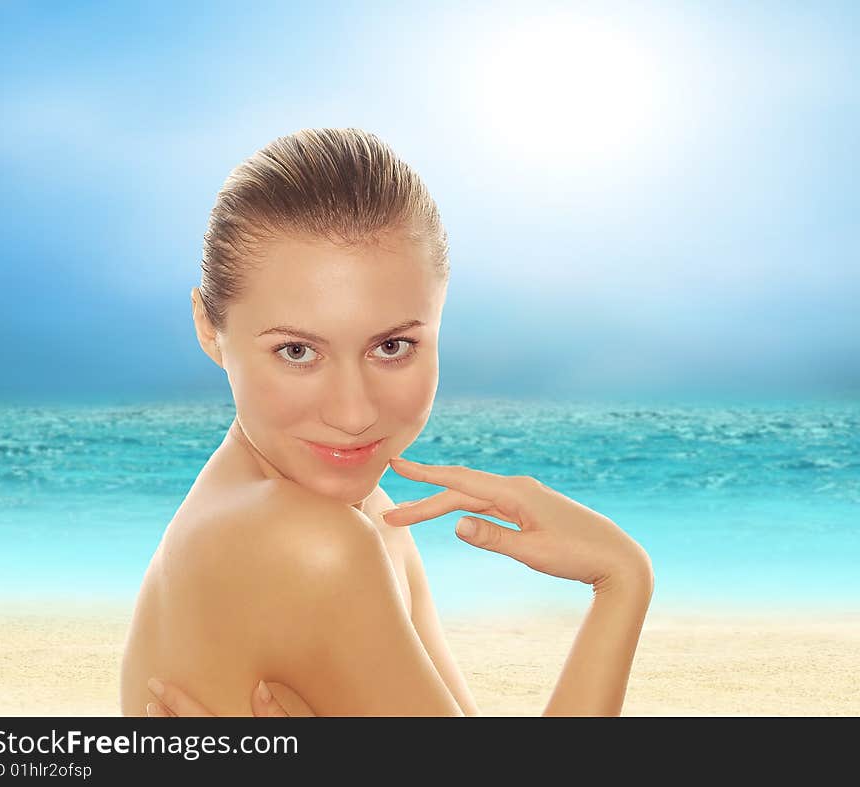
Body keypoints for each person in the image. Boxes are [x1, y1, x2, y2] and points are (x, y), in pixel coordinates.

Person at [119, 128, 654, 718]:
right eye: (297, 351)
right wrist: (620, 579)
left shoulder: (369, 512)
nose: (354, 415)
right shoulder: (310, 543)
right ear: (207, 328)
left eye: (392, 346)